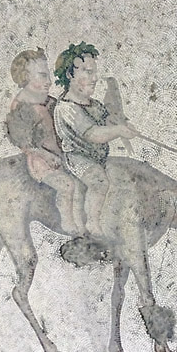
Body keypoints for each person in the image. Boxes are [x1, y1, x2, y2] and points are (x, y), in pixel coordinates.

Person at [52, 42, 137, 238]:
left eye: (95, 72)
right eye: (88, 72)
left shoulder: (95, 104)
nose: (95, 78)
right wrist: (118, 130)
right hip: (78, 158)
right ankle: (92, 223)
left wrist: (123, 125)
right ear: (70, 75)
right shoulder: (67, 108)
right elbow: (93, 134)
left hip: (97, 157)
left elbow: (107, 121)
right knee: (99, 181)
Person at [6, 48, 85, 236]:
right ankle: (67, 223)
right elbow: (21, 140)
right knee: (67, 186)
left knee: (81, 184)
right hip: (41, 161)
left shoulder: (48, 100)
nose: (49, 81)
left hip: (60, 155)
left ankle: (80, 223)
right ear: (25, 77)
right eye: (42, 75)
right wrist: (45, 156)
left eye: (48, 75)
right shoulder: (22, 105)